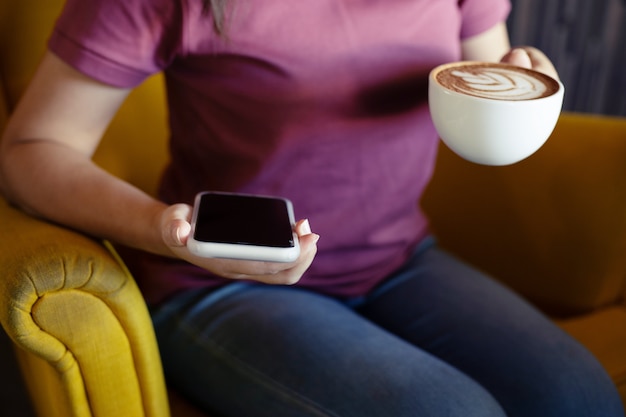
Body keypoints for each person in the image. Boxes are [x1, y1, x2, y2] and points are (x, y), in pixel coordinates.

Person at [0, 0, 623, 416]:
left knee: (581, 398)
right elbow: (31, 150)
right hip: (220, 284)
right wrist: (161, 230)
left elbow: (490, 73)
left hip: (399, 260)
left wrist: (525, 78)